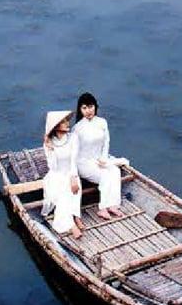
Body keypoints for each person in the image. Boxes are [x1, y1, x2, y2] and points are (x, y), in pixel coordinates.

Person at [72, 92, 124, 219]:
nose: (88, 111)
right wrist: (73, 174)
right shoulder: (77, 128)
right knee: (105, 175)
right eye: (84, 108)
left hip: (98, 159)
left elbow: (106, 142)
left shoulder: (102, 122)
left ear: (95, 106)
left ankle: (113, 205)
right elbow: (73, 153)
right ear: (80, 110)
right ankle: (103, 208)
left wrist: (103, 158)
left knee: (115, 171)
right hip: (83, 162)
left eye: (91, 106)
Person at [41, 110, 85, 238]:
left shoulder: (73, 138)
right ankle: (71, 224)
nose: (67, 123)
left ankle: (76, 216)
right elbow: (53, 167)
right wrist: (50, 149)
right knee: (63, 193)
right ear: (56, 126)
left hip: (71, 172)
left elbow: (73, 161)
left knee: (75, 188)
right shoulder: (49, 142)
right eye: (63, 122)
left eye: (67, 121)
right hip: (55, 176)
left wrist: (73, 177)